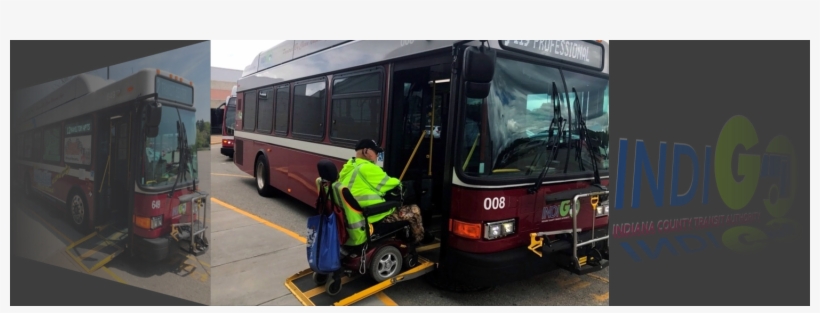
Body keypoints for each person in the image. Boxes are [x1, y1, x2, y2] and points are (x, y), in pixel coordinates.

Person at [336, 139, 426, 244]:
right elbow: (393, 184)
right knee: (414, 210)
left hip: (352, 217)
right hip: (369, 218)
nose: (377, 155)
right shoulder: (369, 168)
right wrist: (401, 184)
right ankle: (418, 239)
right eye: (376, 152)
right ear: (366, 151)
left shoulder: (348, 167)